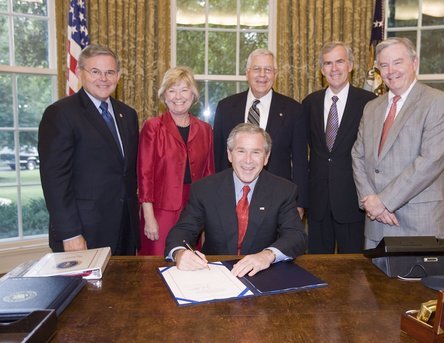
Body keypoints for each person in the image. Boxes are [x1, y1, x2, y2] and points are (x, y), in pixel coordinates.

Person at [351, 37, 444, 249]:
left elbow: (430, 162)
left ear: (414, 63)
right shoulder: (371, 107)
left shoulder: (438, 103)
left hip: (419, 224)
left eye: (397, 62)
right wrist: (370, 201)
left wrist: (383, 202)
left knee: (416, 284)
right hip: (375, 225)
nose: (391, 71)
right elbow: (358, 156)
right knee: (373, 283)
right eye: (384, 65)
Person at [165, 123, 307, 277]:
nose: (248, 160)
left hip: (263, 273)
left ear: (266, 157)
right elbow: (182, 231)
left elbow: (296, 236)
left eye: (256, 152)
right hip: (213, 274)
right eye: (241, 151)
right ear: (229, 154)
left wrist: (267, 255)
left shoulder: (283, 190)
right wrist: (179, 253)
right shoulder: (204, 189)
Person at [38, 44, 140, 255]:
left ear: (118, 76)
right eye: (95, 71)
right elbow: (55, 180)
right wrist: (70, 233)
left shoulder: (128, 115)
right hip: (84, 231)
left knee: (123, 288)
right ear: (80, 73)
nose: (103, 78)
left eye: (109, 72)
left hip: (124, 227)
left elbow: (127, 172)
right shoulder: (60, 114)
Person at [213, 48, 308, 218]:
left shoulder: (294, 110)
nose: (262, 75)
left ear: (275, 74)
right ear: (247, 73)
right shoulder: (225, 107)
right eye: (257, 69)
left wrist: (299, 203)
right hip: (232, 197)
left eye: (268, 69)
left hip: (278, 199)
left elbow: (300, 160)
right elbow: (219, 156)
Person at [302, 42, 376, 254]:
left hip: (354, 201)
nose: (334, 68)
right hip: (318, 203)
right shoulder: (309, 104)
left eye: (340, 61)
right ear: (322, 69)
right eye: (328, 63)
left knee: (353, 272)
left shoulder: (370, 103)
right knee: (317, 267)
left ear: (350, 65)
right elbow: (301, 152)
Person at [137, 67, 214, 255]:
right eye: (172, 90)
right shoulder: (153, 127)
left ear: (193, 94)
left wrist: (206, 220)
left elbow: (209, 175)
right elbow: (144, 174)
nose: (178, 96)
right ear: (164, 96)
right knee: (156, 263)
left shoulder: (205, 130)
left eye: (184, 89)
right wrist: (149, 217)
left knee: (189, 263)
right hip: (160, 210)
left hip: (193, 210)